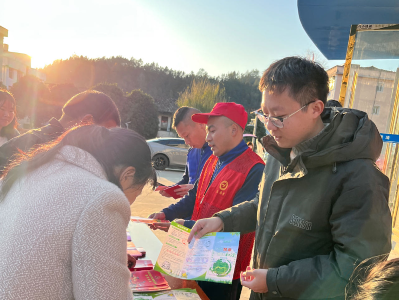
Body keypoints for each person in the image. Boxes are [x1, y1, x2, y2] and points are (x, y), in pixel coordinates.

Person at [188, 57, 392, 300]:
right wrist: (223, 221)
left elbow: (358, 267)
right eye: (265, 115)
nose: (271, 127)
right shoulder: (279, 152)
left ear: (315, 109)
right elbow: (263, 204)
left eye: (279, 116)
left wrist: (275, 280)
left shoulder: (358, 176)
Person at [0, 125, 156, 300]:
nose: (131, 202)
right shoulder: (102, 197)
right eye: (137, 191)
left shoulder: (22, 173)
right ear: (127, 175)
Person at [150, 102, 265, 300]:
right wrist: (167, 213)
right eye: (207, 131)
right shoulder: (212, 160)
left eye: (212, 131)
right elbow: (194, 198)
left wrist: (185, 225)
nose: (208, 137)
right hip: (195, 255)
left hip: (224, 268)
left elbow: (237, 222)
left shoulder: (254, 168)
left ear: (234, 130)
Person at [0, 90, 120, 173]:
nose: (104, 146)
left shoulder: (63, 149)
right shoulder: (33, 146)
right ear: (86, 122)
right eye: (104, 135)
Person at [156, 106, 212, 198]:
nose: (186, 142)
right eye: (183, 138)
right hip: (190, 208)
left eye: (187, 136)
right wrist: (172, 189)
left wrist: (195, 189)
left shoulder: (219, 152)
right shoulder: (191, 151)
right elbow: (187, 180)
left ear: (201, 124)